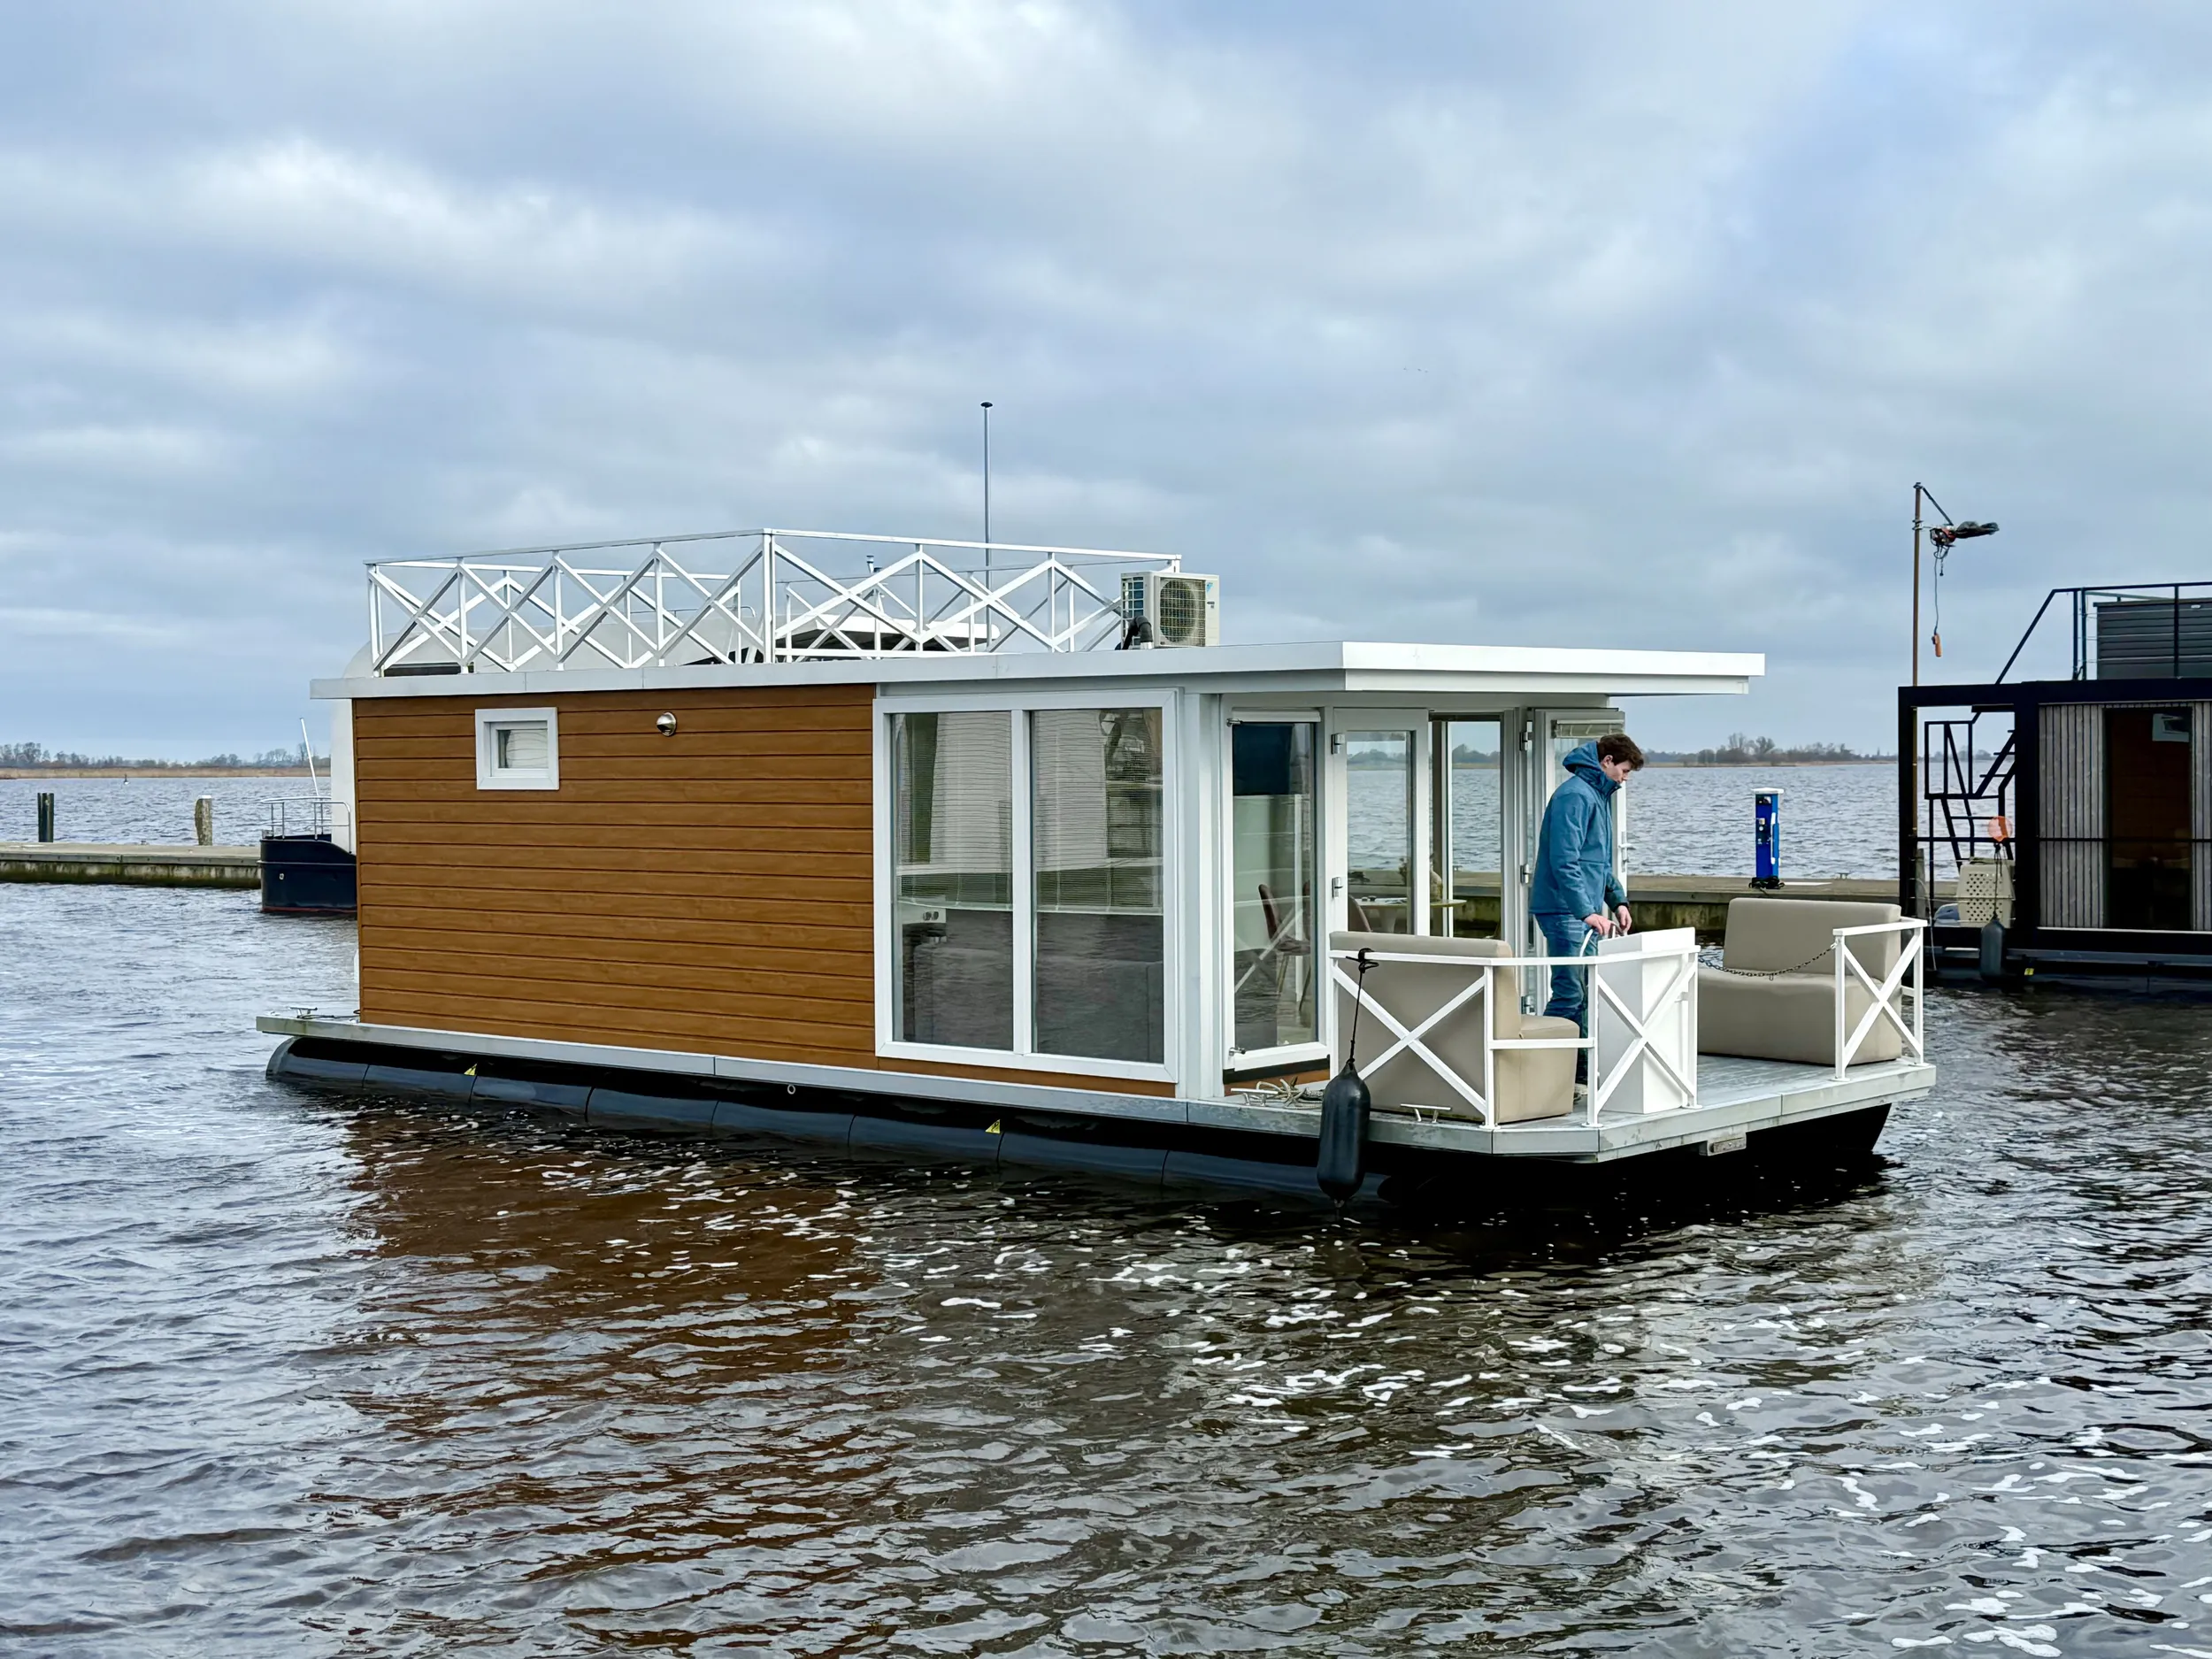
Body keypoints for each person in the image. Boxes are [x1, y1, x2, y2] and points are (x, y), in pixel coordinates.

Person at [1529, 733, 1645, 1042]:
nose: (1624, 779)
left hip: (1582, 913)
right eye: (1624, 771)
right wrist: (1586, 912)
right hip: (1565, 911)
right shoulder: (1575, 796)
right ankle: (1541, 1068)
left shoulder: (1596, 795)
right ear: (1607, 761)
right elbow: (1564, 861)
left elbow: (1597, 863)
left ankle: (1577, 1076)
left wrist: (1618, 901)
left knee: (1585, 993)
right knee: (1570, 993)